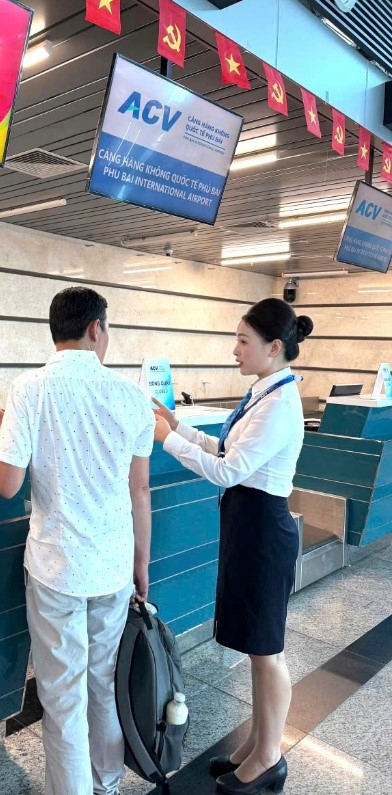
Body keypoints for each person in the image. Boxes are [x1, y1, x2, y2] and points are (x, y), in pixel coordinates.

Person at [0, 286, 154, 795]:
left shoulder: (30, 389)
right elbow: (139, 489)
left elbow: (6, 484)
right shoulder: (131, 395)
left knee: (62, 696)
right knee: (104, 680)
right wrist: (141, 563)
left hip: (56, 565)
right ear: (96, 328)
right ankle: (107, 783)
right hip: (113, 564)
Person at [154, 298, 313, 795]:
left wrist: (167, 442)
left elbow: (229, 470)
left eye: (244, 341)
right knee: (256, 648)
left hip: (264, 533)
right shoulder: (265, 392)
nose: (235, 350)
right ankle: (259, 743)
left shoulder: (280, 404)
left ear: (274, 346)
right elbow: (227, 449)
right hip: (249, 529)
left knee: (268, 651)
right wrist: (178, 427)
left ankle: (269, 757)